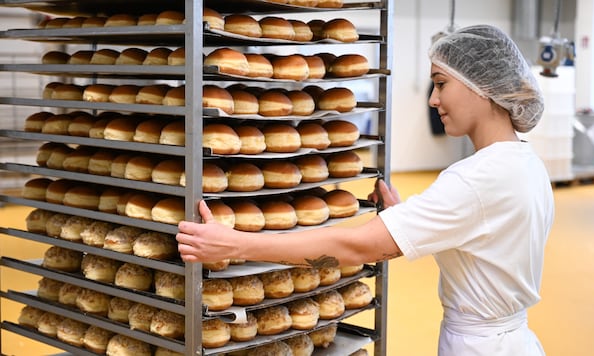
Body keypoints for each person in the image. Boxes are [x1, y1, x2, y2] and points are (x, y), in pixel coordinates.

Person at [177, 24, 554, 356]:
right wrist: (407, 218)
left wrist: (236, 244)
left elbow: (354, 247)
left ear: (482, 88)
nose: (432, 99)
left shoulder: (474, 179)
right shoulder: (526, 164)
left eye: (441, 84)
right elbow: (484, 245)